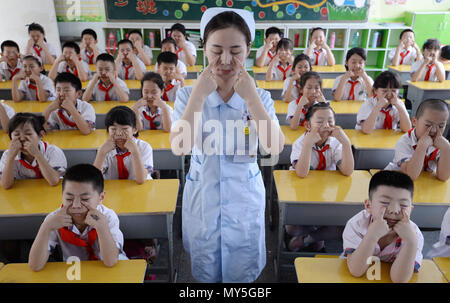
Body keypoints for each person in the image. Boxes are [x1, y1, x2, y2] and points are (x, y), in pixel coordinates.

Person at [169, 8, 284, 282]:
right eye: (216, 50)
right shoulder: (187, 95)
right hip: (203, 198)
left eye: (236, 50)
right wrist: (198, 94)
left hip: (243, 199)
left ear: (248, 49)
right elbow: (180, 147)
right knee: (206, 273)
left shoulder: (260, 96)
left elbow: (274, 145)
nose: (225, 60)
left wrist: (252, 99)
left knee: (241, 275)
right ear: (204, 48)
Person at [28, 164, 128, 271]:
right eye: (69, 199)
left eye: (84, 199)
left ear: (101, 197)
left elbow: (111, 261)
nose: (76, 205)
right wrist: (46, 227)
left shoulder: (107, 217)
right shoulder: (54, 219)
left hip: (108, 270)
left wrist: (102, 227)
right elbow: (35, 266)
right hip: (74, 272)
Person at [286, 102, 353, 252]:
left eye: (330, 121)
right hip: (302, 195)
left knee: (341, 228)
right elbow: (302, 173)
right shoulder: (301, 143)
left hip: (326, 196)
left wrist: (346, 143)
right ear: (308, 126)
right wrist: (308, 144)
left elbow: (348, 171)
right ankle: (314, 234)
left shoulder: (335, 143)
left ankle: (308, 239)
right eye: (320, 121)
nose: (326, 125)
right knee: (291, 228)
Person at [343, 170, 424, 283]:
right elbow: (356, 271)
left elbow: (399, 280)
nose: (394, 210)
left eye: (403, 205)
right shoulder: (356, 225)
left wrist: (411, 243)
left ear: (410, 210)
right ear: (368, 205)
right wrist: (372, 236)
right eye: (385, 202)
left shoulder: (414, 236)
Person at [385, 99, 449, 181]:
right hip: (396, 182)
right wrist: (422, 147)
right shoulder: (405, 142)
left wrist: (446, 149)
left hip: (423, 186)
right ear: (415, 122)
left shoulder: (442, 144)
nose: (433, 130)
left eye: (441, 126)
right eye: (428, 125)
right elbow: (411, 175)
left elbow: (443, 177)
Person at [0, 113, 67, 189]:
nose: (22, 138)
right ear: (10, 136)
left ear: (41, 135)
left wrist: (37, 154)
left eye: (28, 133)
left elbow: (54, 181)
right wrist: (10, 158)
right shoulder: (7, 154)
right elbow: (5, 185)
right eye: (16, 134)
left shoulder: (53, 151)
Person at [94, 106, 153, 184]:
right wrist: (101, 153)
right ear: (108, 131)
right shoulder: (105, 149)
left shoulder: (144, 147)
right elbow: (94, 180)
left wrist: (135, 152)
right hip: (114, 192)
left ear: (134, 130)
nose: (119, 133)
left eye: (124, 129)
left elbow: (141, 179)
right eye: (113, 129)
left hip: (140, 191)